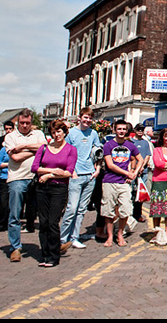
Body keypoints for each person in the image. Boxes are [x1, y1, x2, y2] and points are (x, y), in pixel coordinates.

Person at [31, 120, 77, 267]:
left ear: (64, 132)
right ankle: (44, 255)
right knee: (43, 222)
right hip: (42, 188)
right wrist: (51, 171)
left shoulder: (70, 150)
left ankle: (53, 256)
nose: (56, 135)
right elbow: (35, 168)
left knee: (52, 222)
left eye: (59, 132)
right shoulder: (44, 148)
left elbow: (68, 172)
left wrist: (49, 175)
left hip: (59, 188)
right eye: (53, 132)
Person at [4, 108, 47, 262]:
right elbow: (15, 157)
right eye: (22, 123)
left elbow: (44, 148)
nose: (24, 126)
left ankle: (46, 246)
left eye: (27, 123)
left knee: (43, 214)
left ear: (31, 122)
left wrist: (23, 147)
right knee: (15, 214)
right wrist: (34, 149)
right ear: (17, 122)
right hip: (17, 178)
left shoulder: (38, 134)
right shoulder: (10, 136)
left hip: (36, 177)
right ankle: (15, 247)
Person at [60, 107, 102, 251]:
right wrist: (72, 172)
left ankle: (74, 237)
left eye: (90, 118)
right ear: (80, 118)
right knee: (72, 208)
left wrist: (97, 169)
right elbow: (66, 153)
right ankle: (63, 238)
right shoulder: (71, 133)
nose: (88, 121)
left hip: (90, 175)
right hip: (76, 175)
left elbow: (98, 152)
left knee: (82, 209)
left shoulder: (94, 133)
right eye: (85, 118)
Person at [101, 119, 141, 247]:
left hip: (124, 183)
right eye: (119, 129)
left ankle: (120, 234)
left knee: (125, 209)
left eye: (124, 129)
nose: (122, 131)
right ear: (114, 130)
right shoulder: (108, 145)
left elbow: (140, 159)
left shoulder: (130, 145)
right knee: (108, 210)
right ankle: (110, 236)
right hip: (109, 181)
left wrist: (134, 172)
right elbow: (110, 165)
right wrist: (127, 173)